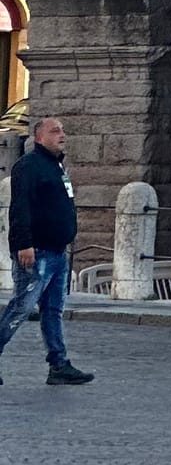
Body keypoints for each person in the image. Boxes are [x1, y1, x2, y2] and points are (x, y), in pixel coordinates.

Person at [0, 113, 92, 386]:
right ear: (39, 137)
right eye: (55, 131)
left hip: (57, 252)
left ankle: (58, 364)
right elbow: (20, 208)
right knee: (21, 307)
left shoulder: (56, 165)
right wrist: (24, 244)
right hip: (37, 252)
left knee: (53, 310)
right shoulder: (28, 166)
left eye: (62, 130)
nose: (62, 135)